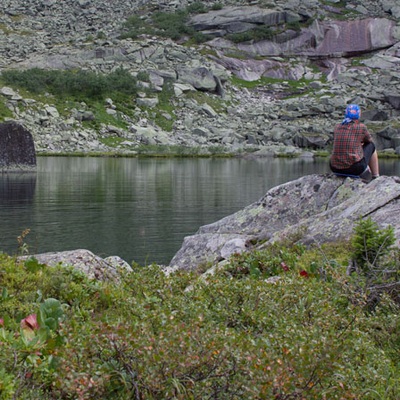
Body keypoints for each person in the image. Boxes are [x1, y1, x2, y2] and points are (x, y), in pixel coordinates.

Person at [330, 104, 379, 179]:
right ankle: (375, 176)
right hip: (354, 169)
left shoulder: (337, 127)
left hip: (334, 168)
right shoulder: (361, 127)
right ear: (358, 114)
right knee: (371, 145)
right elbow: (369, 140)